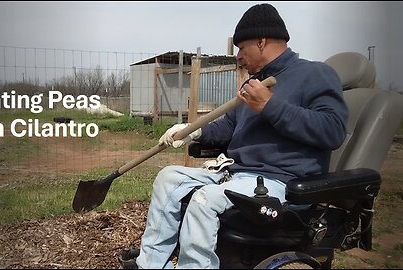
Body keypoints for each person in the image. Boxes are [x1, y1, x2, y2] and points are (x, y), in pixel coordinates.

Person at [135, 3, 349, 269]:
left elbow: (332, 130)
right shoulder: (253, 84)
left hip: (282, 183)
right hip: (237, 175)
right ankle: (151, 264)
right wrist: (193, 132)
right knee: (168, 178)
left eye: (241, 47)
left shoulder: (316, 74)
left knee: (205, 199)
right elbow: (229, 127)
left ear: (261, 41)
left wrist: (270, 106)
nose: (237, 56)